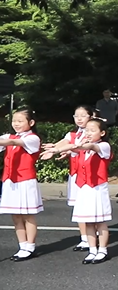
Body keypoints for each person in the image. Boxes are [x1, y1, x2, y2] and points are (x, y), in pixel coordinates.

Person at [39, 104, 93, 251]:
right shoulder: (73, 134)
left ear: (91, 116)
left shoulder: (91, 135)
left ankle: (93, 238)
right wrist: (54, 148)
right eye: (76, 116)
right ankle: (84, 239)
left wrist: (57, 150)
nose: (79, 119)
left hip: (90, 176)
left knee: (89, 207)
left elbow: (73, 146)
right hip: (75, 175)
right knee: (78, 207)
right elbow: (66, 142)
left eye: (83, 115)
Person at [0, 108, 43, 261]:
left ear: (31, 123)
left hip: (25, 180)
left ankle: (30, 247)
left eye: (20, 121)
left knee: (28, 215)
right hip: (10, 180)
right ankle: (22, 245)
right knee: (16, 216)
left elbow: (12, 142)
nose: (16, 124)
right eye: (14, 121)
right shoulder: (8, 136)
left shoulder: (33, 138)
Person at [70, 118, 113, 264]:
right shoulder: (82, 147)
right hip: (84, 188)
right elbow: (73, 149)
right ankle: (92, 249)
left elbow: (92, 147)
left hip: (97, 188)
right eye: (87, 130)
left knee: (100, 221)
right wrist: (57, 149)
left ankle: (103, 250)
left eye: (92, 130)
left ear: (102, 133)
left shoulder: (104, 146)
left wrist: (81, 145)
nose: (88, 133)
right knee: (87, 221)